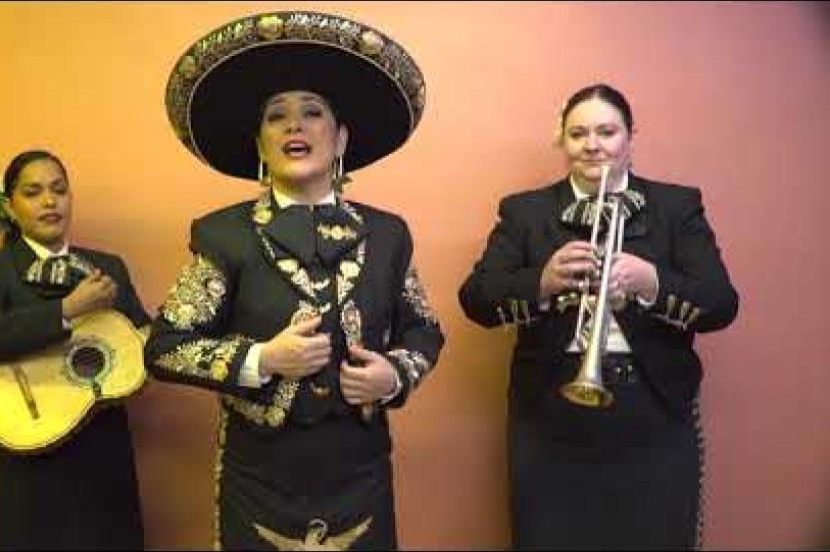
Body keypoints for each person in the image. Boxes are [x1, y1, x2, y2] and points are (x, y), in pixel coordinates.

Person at [146, 10, 444, 551]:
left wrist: (394, 375)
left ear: (341, 136)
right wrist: (262, 360)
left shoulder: (388, 234)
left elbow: (425, 330)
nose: (294, 126)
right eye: (276, 118)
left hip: (362, 474)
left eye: (312, 113)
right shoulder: (224, 236)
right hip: (258, 479)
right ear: (259, 146)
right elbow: (164, 347)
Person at [458, 83, 739, 549]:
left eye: (607, 132)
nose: (592, 145)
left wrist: (653, 283)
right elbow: (476, 300)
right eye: (578, 133)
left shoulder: (677, 207)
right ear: (562, 141)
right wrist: (541, 281)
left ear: (630, 136)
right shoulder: (525, 212)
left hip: (654, 416)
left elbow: (721, 303)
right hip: (549, 419)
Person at [0, 149, 149, 550]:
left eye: (59, 190)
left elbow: (142, 339)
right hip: (23, 440)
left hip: (100, 446)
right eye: (33, 192)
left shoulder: (107, 267)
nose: (49, 201)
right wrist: (68, 309)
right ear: (10, 206)